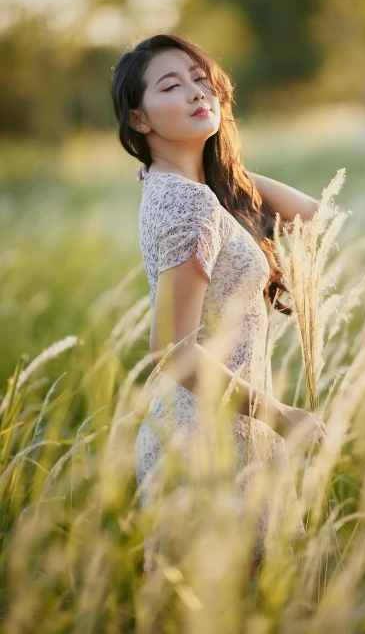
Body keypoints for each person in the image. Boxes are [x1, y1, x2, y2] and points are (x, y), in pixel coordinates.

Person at [111, 33, 327, 582]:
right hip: (210, 443)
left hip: (223, 430)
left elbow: (306, 214)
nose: (194, 91)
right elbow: (173, 352)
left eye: (199, 78)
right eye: (170, 85)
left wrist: (218, 169)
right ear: (139, 120)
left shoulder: (182, 187)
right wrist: (283, 417)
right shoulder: (187, 202)